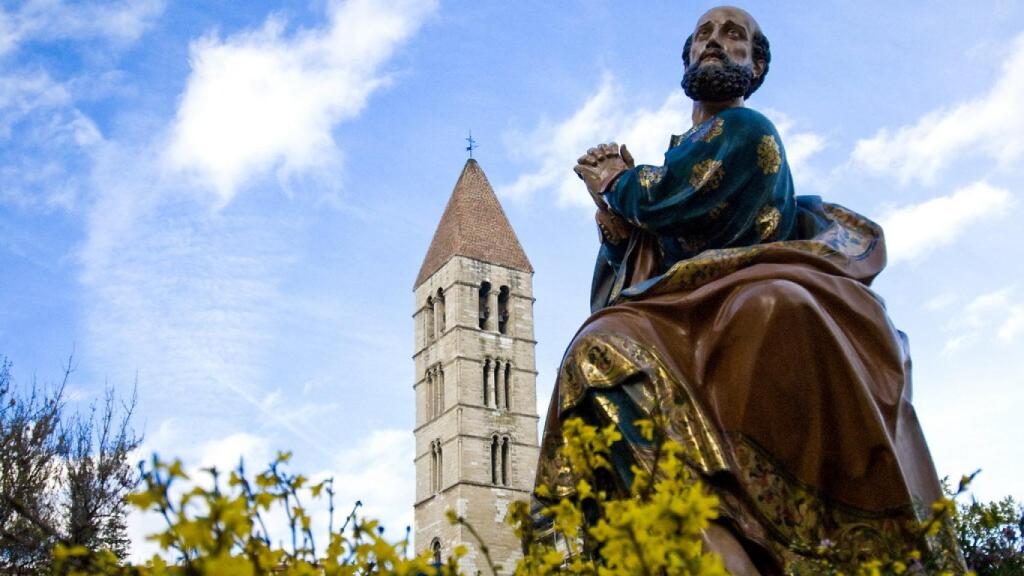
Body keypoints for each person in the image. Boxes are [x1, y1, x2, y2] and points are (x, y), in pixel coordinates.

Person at [535, 6, 964, 574]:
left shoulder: (745, 130)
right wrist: (620, 233)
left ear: (755, 66)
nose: (715, 42)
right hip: (677, 310)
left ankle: (769, 532)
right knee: (599, 347)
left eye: (733, 35)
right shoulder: (678, 151)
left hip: (735, 290)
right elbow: (647, 260)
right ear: (687, 57)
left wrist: (618, 182)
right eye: (703, 35)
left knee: (767, 310)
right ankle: (687, 528)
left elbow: (679, 197)